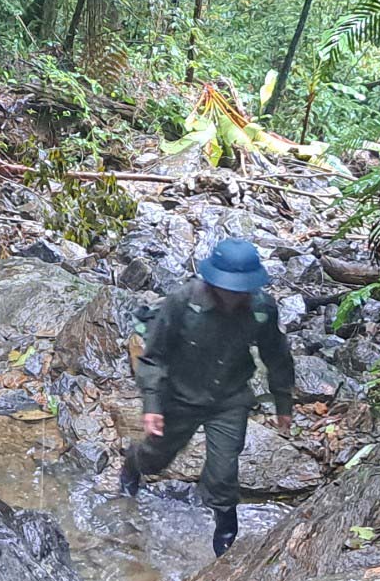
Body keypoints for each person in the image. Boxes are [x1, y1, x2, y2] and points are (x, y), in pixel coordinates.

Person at [121, 238, 295, 557]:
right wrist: (153, 406)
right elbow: (153, 357)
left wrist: (284, 404)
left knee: (224, 472)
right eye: (230, 288)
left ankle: (225, 535)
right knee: (155, 459)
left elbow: (277, 355)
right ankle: (132, 463)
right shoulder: (184, 301)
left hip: (229, 398)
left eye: (242, 289)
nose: (235, 295)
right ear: (215, 282)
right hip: (180, 396)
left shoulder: (261, 308)